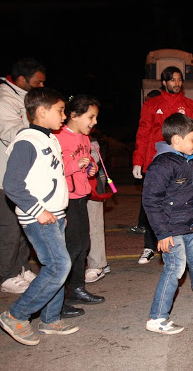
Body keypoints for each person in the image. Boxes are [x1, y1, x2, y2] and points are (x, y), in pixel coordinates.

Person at [0, 87, 78, 345]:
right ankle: (16, 315)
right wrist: (38, 210)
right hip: (39, 217)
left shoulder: (48, 138)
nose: (64, 116)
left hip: (54, 216)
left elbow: (49, 178)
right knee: (58, 266)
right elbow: (12, 184)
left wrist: (59, 210)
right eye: (60, 111)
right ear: (42, 111)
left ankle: (50, 319)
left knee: (55, 266)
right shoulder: (27, 142)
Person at [143, 113, 193, 335]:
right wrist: (162, 233)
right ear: (176, 140)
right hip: (171, 229)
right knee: (174, 269)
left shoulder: (191, 160)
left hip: (192, 226)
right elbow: (150, 202)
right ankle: (157, 317)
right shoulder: (161, 165)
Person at [0, 57, 46, 294]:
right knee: (5, 228)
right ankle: (7, 274)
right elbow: (14, 135)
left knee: (24, 224)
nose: (40, 87)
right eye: (37, 82)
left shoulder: (21, 98)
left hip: (20, 176)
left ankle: (22, 267)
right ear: (21, 79)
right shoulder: (1, 100)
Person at [131, 66, 193, 264]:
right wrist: (138, 161)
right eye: (173, 80)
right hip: (157, 162)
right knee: (153, 203)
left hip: (184, 161)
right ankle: (150, 246)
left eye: (179, 80)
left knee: (186, 199)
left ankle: (189, 244)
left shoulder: (190, 104)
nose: (177, 83)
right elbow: (143, 133)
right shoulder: (152, 104)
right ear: (164, 83)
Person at [55, 94, 105, 312]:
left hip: (81, 197)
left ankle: (76, 288)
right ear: (73, 115)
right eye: (91, 117)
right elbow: (53, 167)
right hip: (65, 200)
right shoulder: (58, 137)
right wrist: (76, 164)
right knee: (70, 248)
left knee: (83, 245)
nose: (94, 122)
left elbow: (87, 160)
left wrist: (91, 167)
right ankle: (59, 298)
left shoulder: (84, 138)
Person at [128, 89, 162, 236]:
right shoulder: (150, 120)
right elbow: (142, 138)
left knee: (151, 198)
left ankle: (147, 226)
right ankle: (146, 226)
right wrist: (138, 162)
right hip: (150, 164)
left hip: (154, 164)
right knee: (150, 197)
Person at [85, 134, 113, 283]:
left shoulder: (90, 140)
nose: (94, 121)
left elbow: (95, 153)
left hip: (92, 182)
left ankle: (98, 264)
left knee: (94, 221)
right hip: (69, 185)